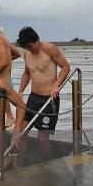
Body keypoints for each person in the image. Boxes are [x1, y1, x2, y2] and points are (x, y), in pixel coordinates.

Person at [16, 26, 70, 160]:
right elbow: (27, 73)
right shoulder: (27, 53)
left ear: (36, 40)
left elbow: (66, 67)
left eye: (30, 46)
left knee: (42, 138)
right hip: (33, 98)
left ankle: (47, 163)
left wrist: (56, 85)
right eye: (26, 48)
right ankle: (21, 162)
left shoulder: (49, 48)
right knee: (21, 132)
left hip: (49, 99)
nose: (29, 49)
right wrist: (21, 90)